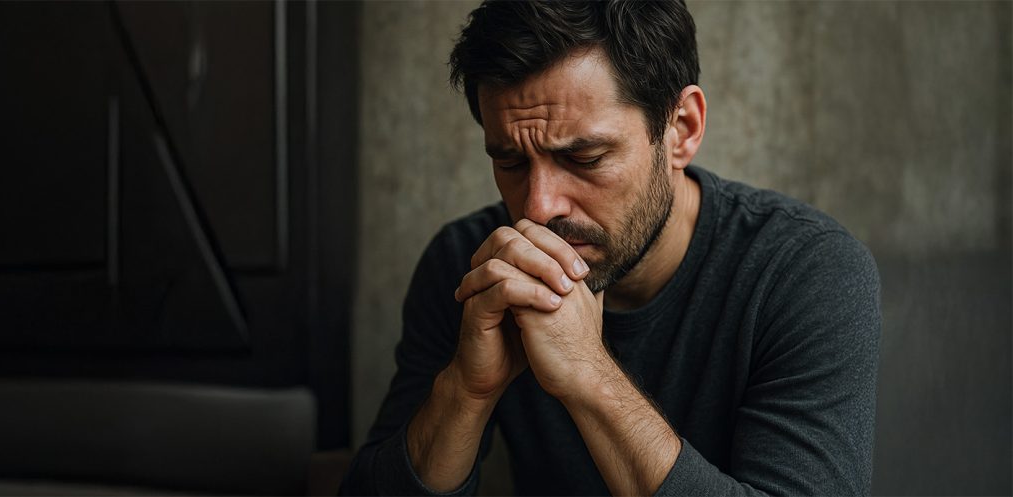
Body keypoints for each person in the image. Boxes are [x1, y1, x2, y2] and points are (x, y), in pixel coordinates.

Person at [341, 1, 880, 495]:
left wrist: (588, 374)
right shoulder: (473, 268)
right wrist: (465, 390)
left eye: (585, 158)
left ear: (681, 130)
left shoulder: (808, 272)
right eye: (509, 162)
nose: (539, 206)